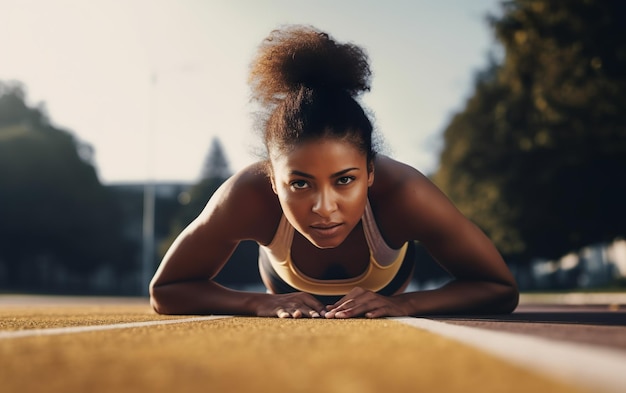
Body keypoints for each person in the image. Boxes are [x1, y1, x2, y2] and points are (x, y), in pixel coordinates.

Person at [149, 25, 519, 319]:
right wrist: (255, 303)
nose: (324, 208)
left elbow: (499, 288)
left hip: (389, 283)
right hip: (282, 283)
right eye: (299, 183)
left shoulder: (405, 193)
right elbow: (165, 291)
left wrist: (407, 305)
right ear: (273, 181)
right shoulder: (246, 196)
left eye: (344, 180)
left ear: (370, 172)